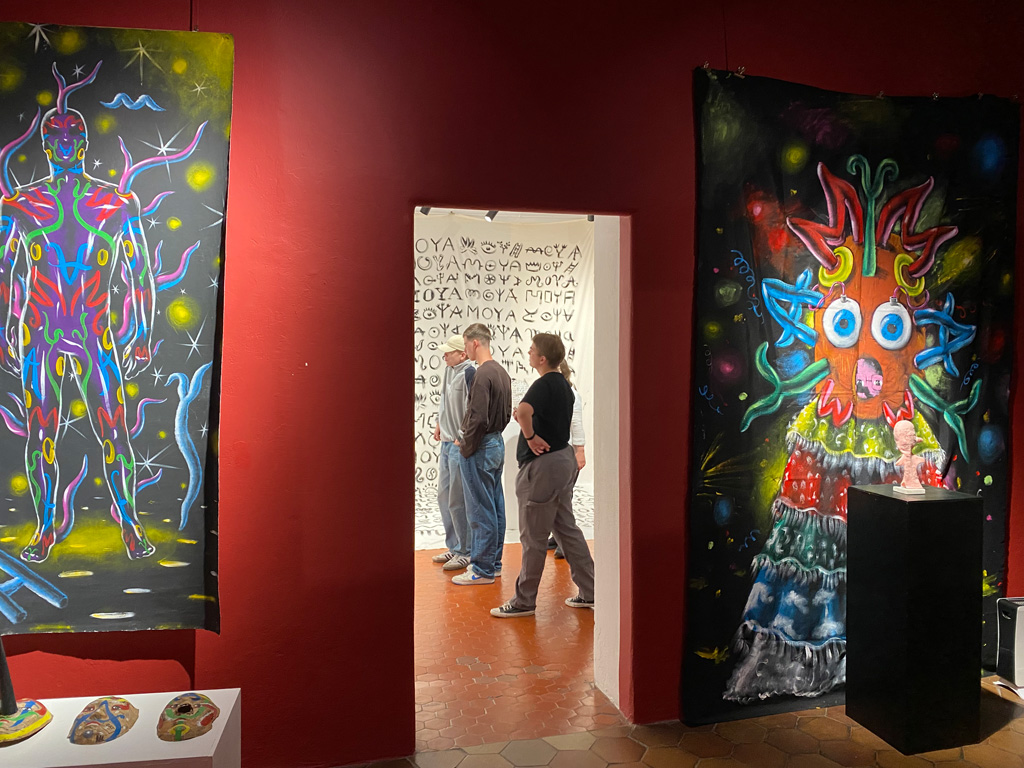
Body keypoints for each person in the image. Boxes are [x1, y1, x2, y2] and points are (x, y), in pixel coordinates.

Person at [491, 333, 595, 618]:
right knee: (566, 530)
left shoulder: (543, 383)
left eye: (532, 350)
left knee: (533, 536)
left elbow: (525, 411)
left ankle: (524, 601)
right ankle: (591, 590)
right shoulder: (564, 385)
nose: (528, 352)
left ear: (542, 358)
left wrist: (530, 436)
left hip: (542, 467)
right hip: (562, 461)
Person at [453, 323, 512, 585]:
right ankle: (493, 563)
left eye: (466, 344)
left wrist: (466, 446)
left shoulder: (481, 374)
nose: (465, 350)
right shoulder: (501, 372)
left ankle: (482, 569)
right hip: (496, 443)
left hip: (481, 446)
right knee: (495, 505)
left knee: (480, 509)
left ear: (475, 342)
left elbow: (477, 417)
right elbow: (507, 413)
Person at [430, 335, 475, 571]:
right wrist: (439, 422)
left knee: (458, 499)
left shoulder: (470, 373)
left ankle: (465, 550)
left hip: (458, 444)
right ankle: (454, 545)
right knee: (444, 496)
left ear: (462, 354)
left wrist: (462, 435)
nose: (445, 355)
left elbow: (472, 408)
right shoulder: (449, 371)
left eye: (449, 352)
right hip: (446, 443)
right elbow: (443, 400)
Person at [548, 360, 585, 559]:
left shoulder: (571, 394)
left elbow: (576, 424)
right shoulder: (555, 393)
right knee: (557, 497)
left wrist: (580, 451)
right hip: (556, 452)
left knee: (563, 499)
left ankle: (565, 541)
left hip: (565, 451)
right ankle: (557, 536)